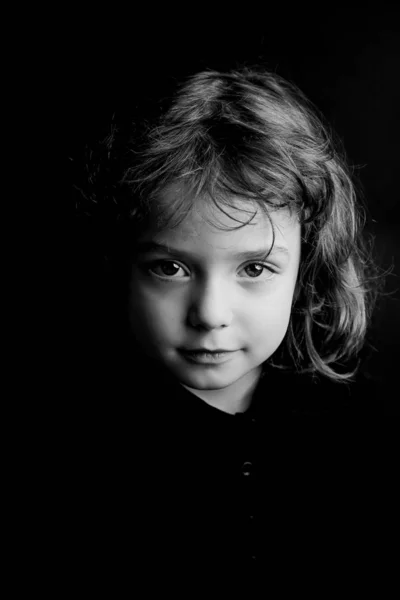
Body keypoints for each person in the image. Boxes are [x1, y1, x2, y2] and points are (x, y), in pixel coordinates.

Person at [71, 65, 384, 583]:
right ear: (120, 265)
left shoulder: (360, 430)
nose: (210, 314)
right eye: (169, 268)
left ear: (306, 268)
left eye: (254, 269)